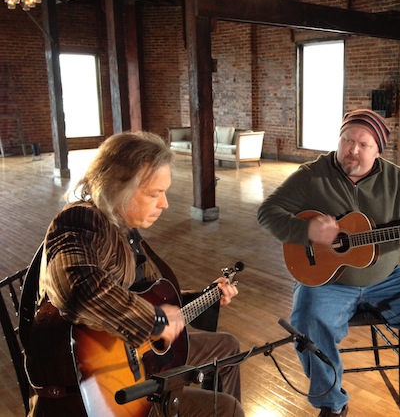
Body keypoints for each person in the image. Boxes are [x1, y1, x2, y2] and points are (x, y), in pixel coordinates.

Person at [24, 132, 244, 417]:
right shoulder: (79, 221)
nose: (164, 204)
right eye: (154, 194)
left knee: (227, 347)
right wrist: (156, 321)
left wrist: (207, 297)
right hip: (96, 382)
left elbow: (146, 297)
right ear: (117, 187)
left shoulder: (125, 230)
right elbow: (81, 290)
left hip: (142, 356)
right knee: (228, 410)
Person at [257, 109, 400, 417]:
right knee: (307, 318)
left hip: (387, 277)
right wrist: (308, 231)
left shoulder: (396, 179)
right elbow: (267, 212)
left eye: (363, 145)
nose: (352, 150)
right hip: (327, 281)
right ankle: (331, 403)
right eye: (347, 140)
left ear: (378, 151)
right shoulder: (313, 175)